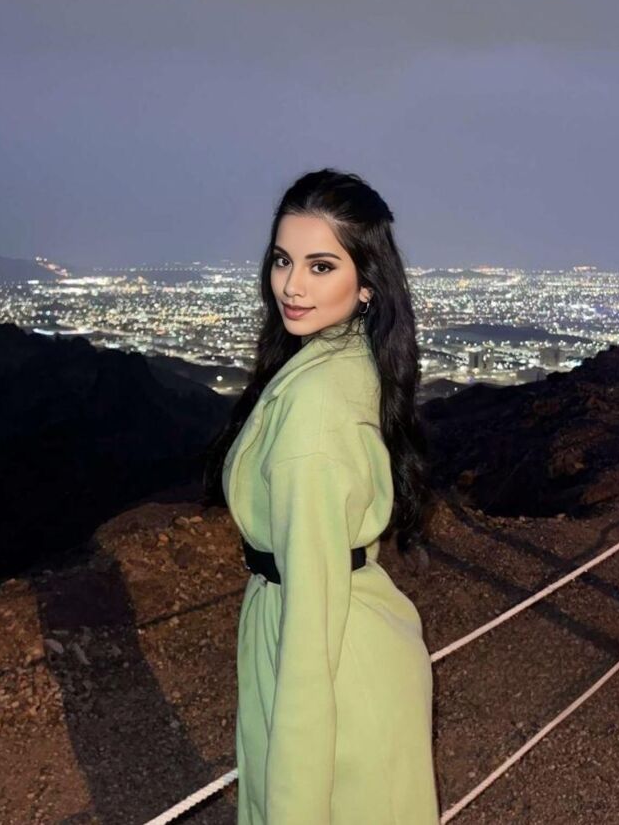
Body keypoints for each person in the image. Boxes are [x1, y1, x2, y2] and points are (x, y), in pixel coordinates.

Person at [200, 168, 441, 824]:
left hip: (330, 660)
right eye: (283, 260)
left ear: (366, 284)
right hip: (360, 640)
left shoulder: (314, 406)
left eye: (321, 265)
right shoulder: (350, 359)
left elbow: (309, 638)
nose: (292, 285)